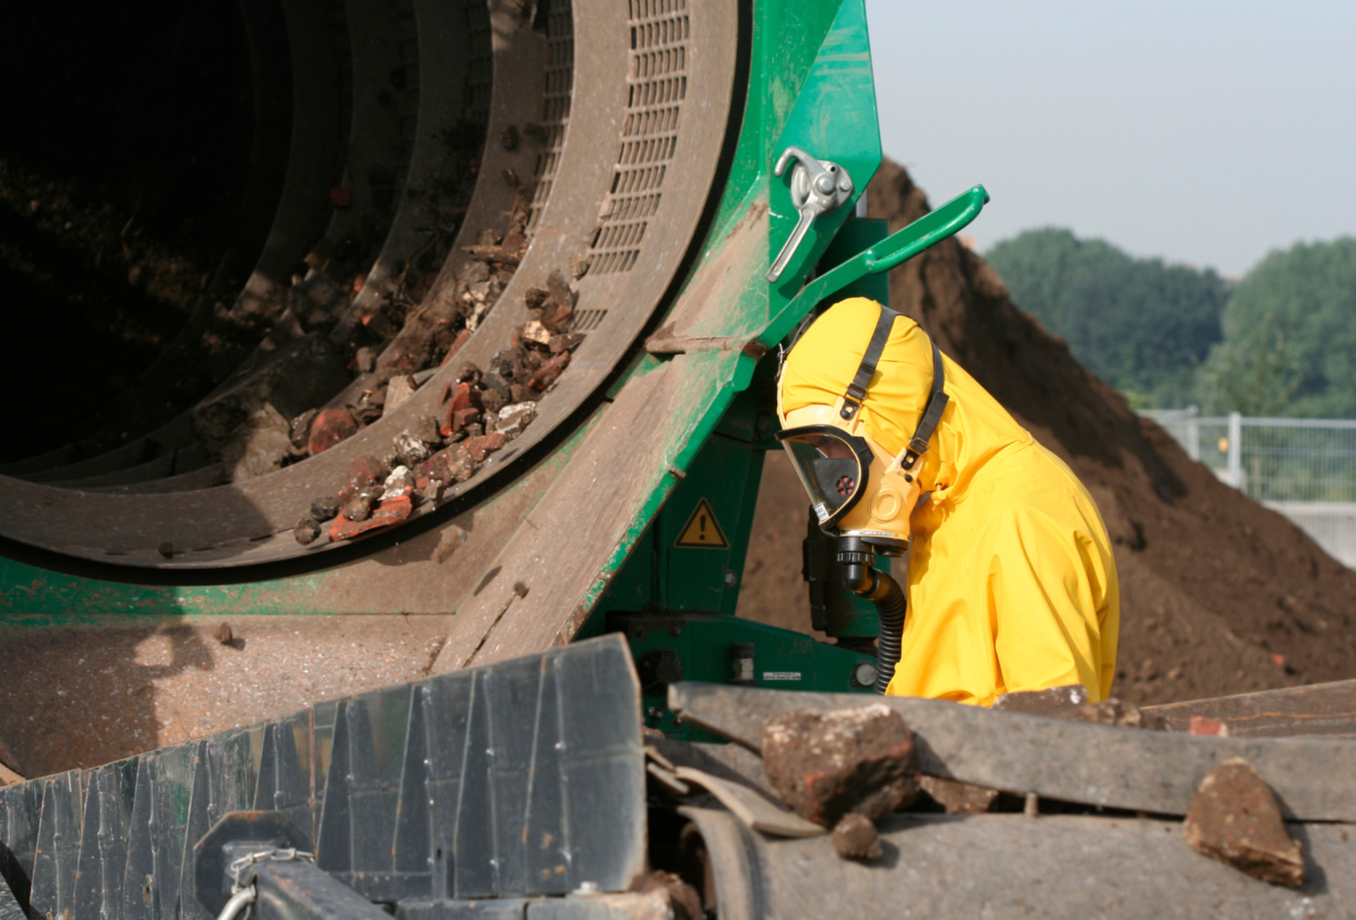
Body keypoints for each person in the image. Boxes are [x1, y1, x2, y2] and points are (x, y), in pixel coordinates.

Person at [776, 297, 1119, 704]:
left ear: (890, 416)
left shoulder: (1019, 513)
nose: (834, 472)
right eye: (816, 451)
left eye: (832, 444)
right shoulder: (947, 503)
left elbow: (1055, 731)